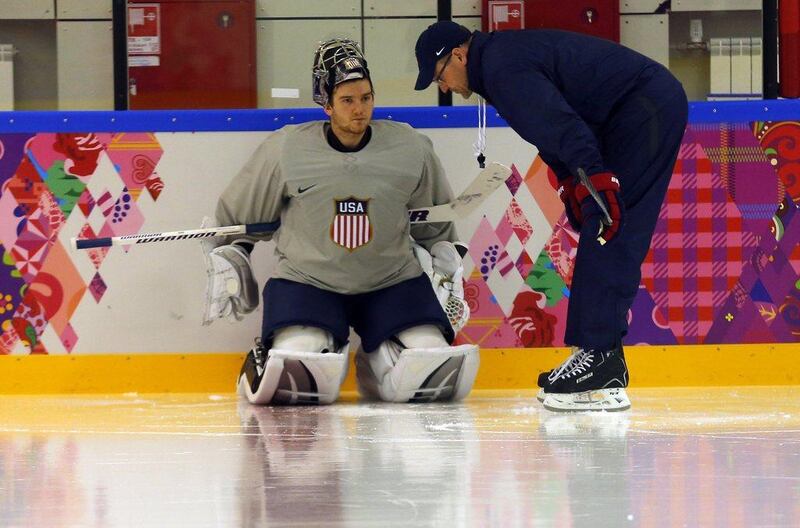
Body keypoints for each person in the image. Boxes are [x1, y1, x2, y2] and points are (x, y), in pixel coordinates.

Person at [414, 22, 688, 412]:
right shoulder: (498, 65)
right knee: (601, 221)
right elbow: (550, 130)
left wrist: (592, 179)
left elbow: (562, 128)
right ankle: (599, 353)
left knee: (609, 226)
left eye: (440, 76)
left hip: (644, 107)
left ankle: (601, 359)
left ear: (458, 54)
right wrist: (568, 183)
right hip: (626, 112)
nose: (443, 87)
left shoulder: (502, 67)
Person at [203, 38, 479, 405]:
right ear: (327, 104)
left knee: (431, 368)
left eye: (366, 97)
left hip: (391, 280)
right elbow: (238, 222)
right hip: (310, 281)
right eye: (348, 100)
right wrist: (230, 258)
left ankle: (376, 362)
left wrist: (446, 270)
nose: (360, 109)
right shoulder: (287, 149)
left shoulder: (410, 148)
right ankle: (271, 358)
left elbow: (434, 224)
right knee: (301, 371)